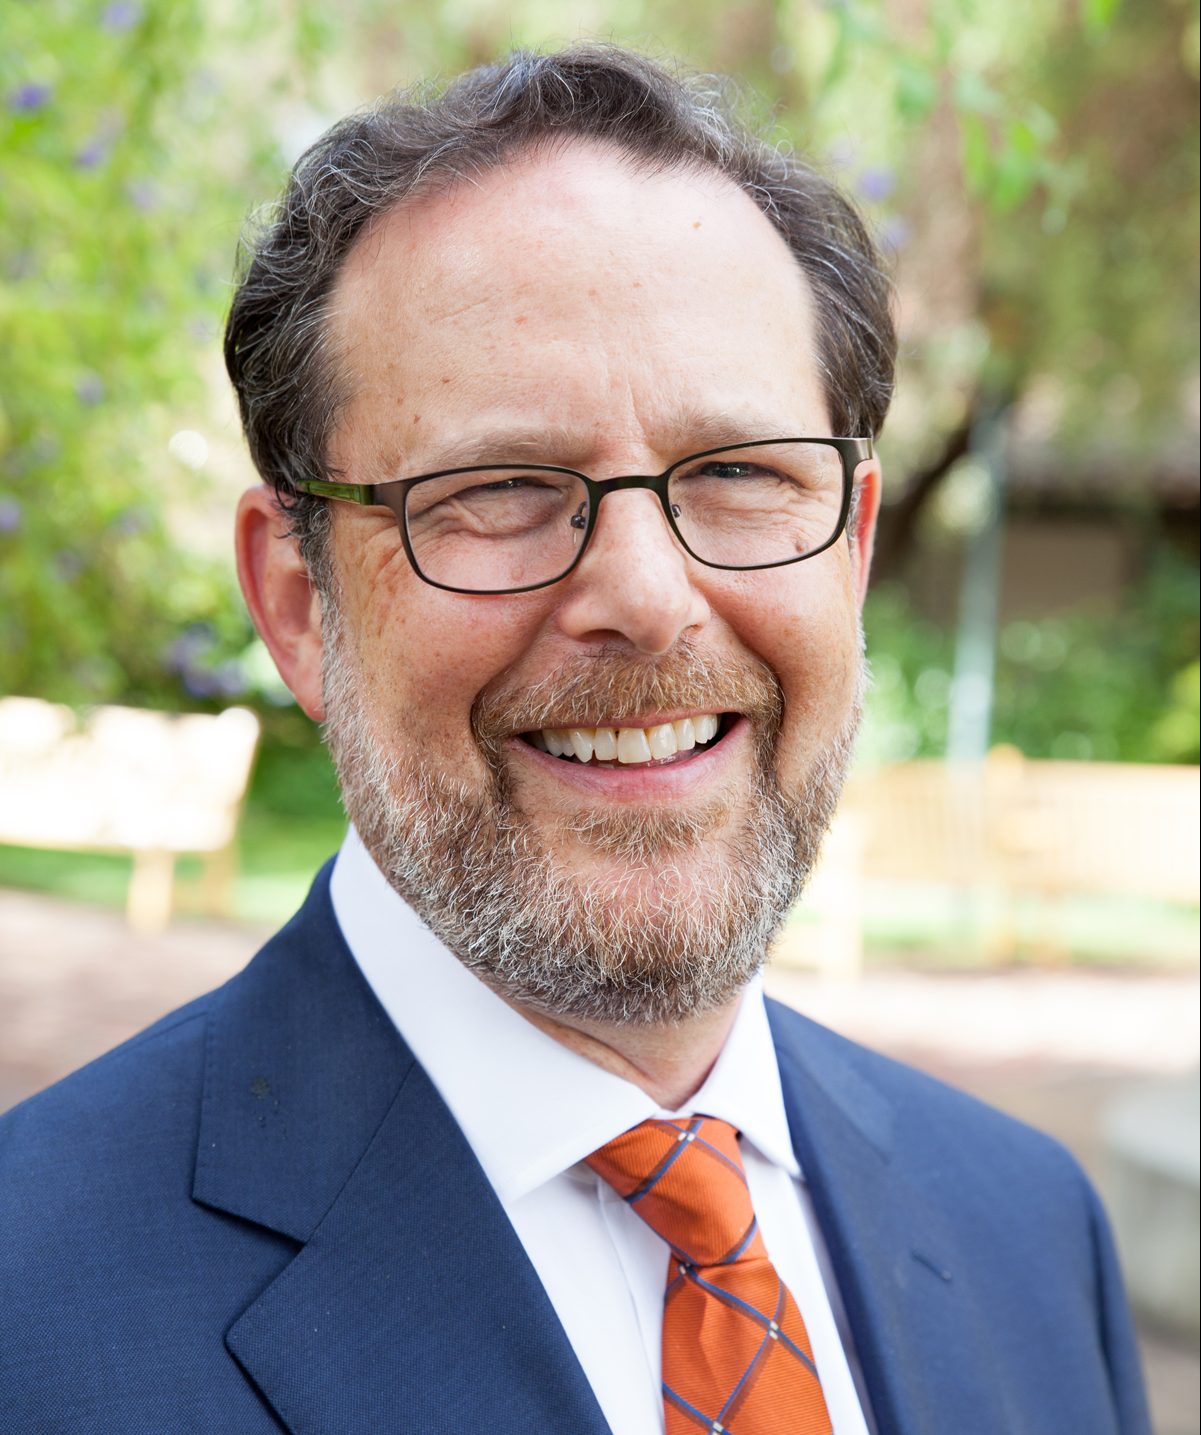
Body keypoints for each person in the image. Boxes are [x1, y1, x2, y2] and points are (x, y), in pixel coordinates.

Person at [0, 46, 1149, 1435]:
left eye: (740, 472)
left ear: (849, 554)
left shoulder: (1030, 1234)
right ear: (299, 605)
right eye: (499, 488)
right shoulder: (33, 1306)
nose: (648, 600)